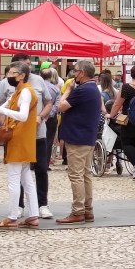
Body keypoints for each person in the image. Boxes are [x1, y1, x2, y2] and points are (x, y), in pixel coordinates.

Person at [0, 61, 39, 230]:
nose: (8, 76)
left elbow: (22, 116)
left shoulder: (25, 92)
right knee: (26, 179)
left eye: (12, 73)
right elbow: (0, 107)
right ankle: (33, 215)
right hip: (23, 138)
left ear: (22, 75)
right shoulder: (19, 92)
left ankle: (12, 216)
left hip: (19, 138)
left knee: (14, 179)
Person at [53, 61, 102, 223]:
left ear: (82, 73)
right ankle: (87, 209)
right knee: (85, 174)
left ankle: (78, 210)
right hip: (87, 136)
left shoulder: (81, 90)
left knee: (76, 175)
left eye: (75, 71)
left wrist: (67, 90)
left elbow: (61, 106)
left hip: (77, 137)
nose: (74, 74)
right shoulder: (93, 88)